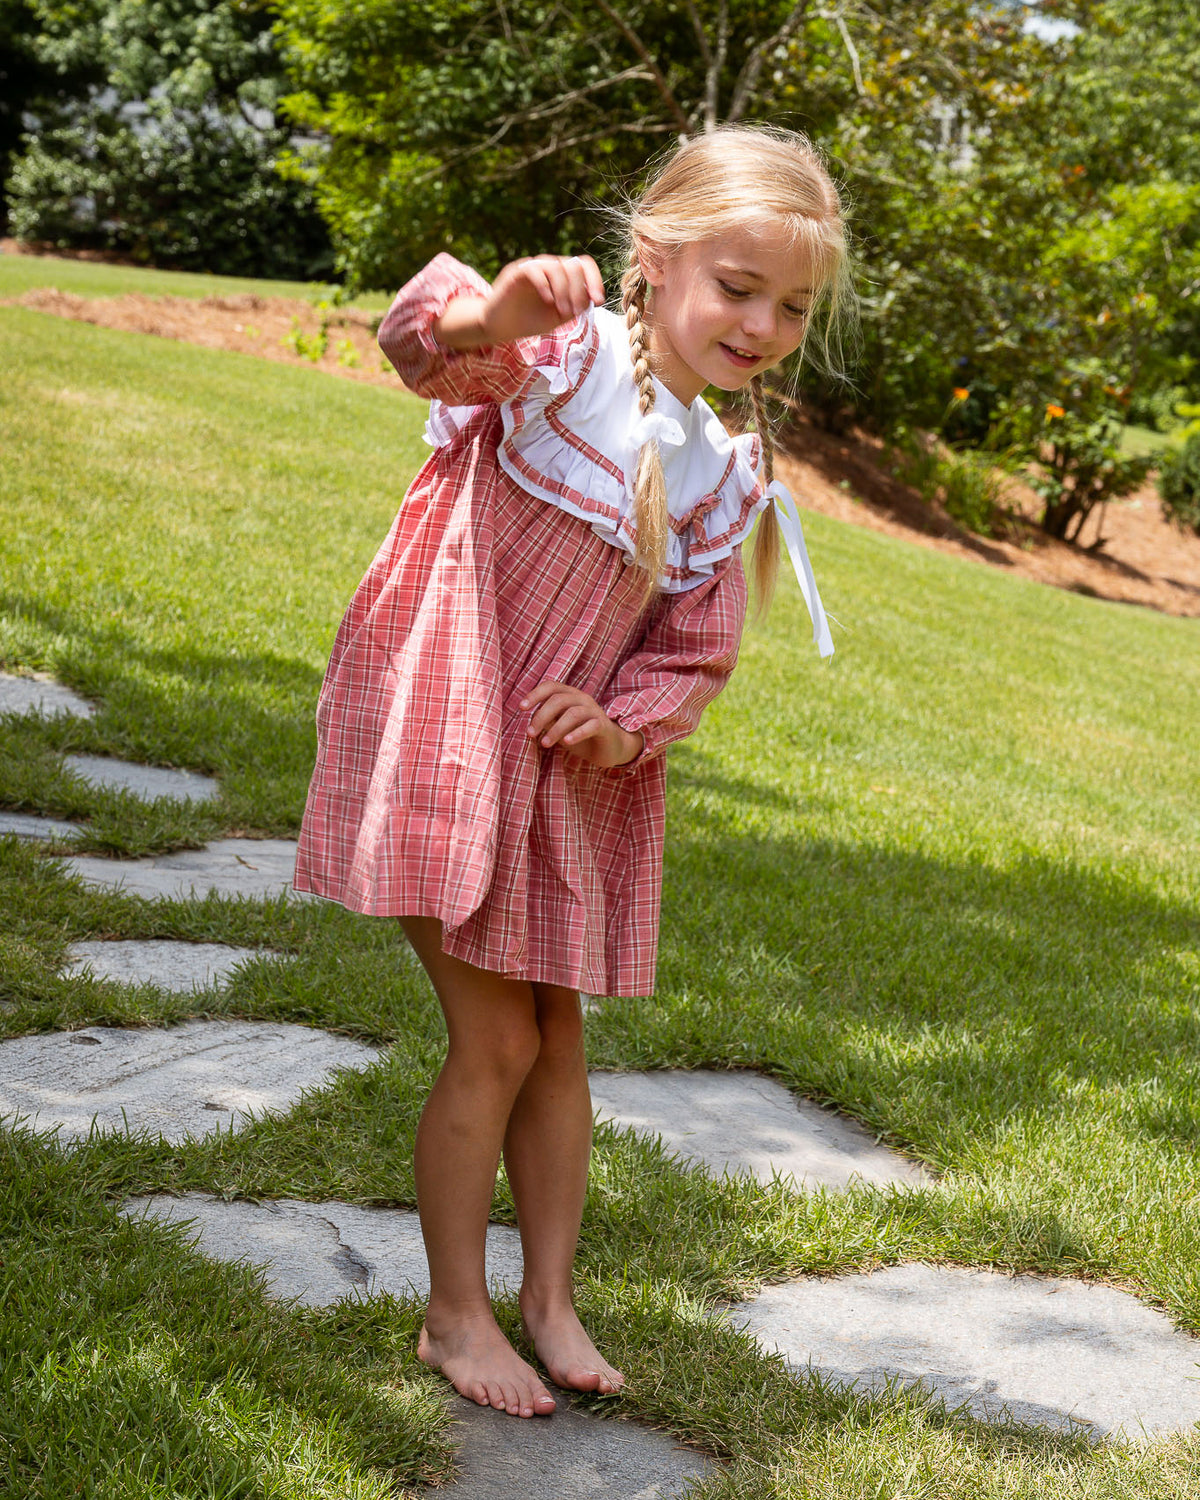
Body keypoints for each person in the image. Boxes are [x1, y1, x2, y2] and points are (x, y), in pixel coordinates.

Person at [293, 122, 856, 1420]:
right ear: (654, 259)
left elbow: (695, 649)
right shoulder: (568, 360)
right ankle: (454, 1315)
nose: (763, 323)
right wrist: (495, 305)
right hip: (450, 724)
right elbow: (432, 351)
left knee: (557, 1041)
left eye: (792, 306)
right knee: (494, 1038)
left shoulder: (723, 472)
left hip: (554, 770)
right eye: (739, 285)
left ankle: (547, 1298)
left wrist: (623, 726)